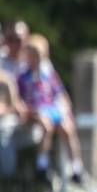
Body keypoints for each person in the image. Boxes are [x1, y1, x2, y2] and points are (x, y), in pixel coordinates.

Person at [16, 34, 85, 184]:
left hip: (50, 108)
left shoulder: (48, 74)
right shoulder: (22, 75)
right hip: (35, 110)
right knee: (46, 126)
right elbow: (19, 97)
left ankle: (76, 167)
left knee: (67, 128)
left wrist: (65, 109)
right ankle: (42, 164)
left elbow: (60, 93)